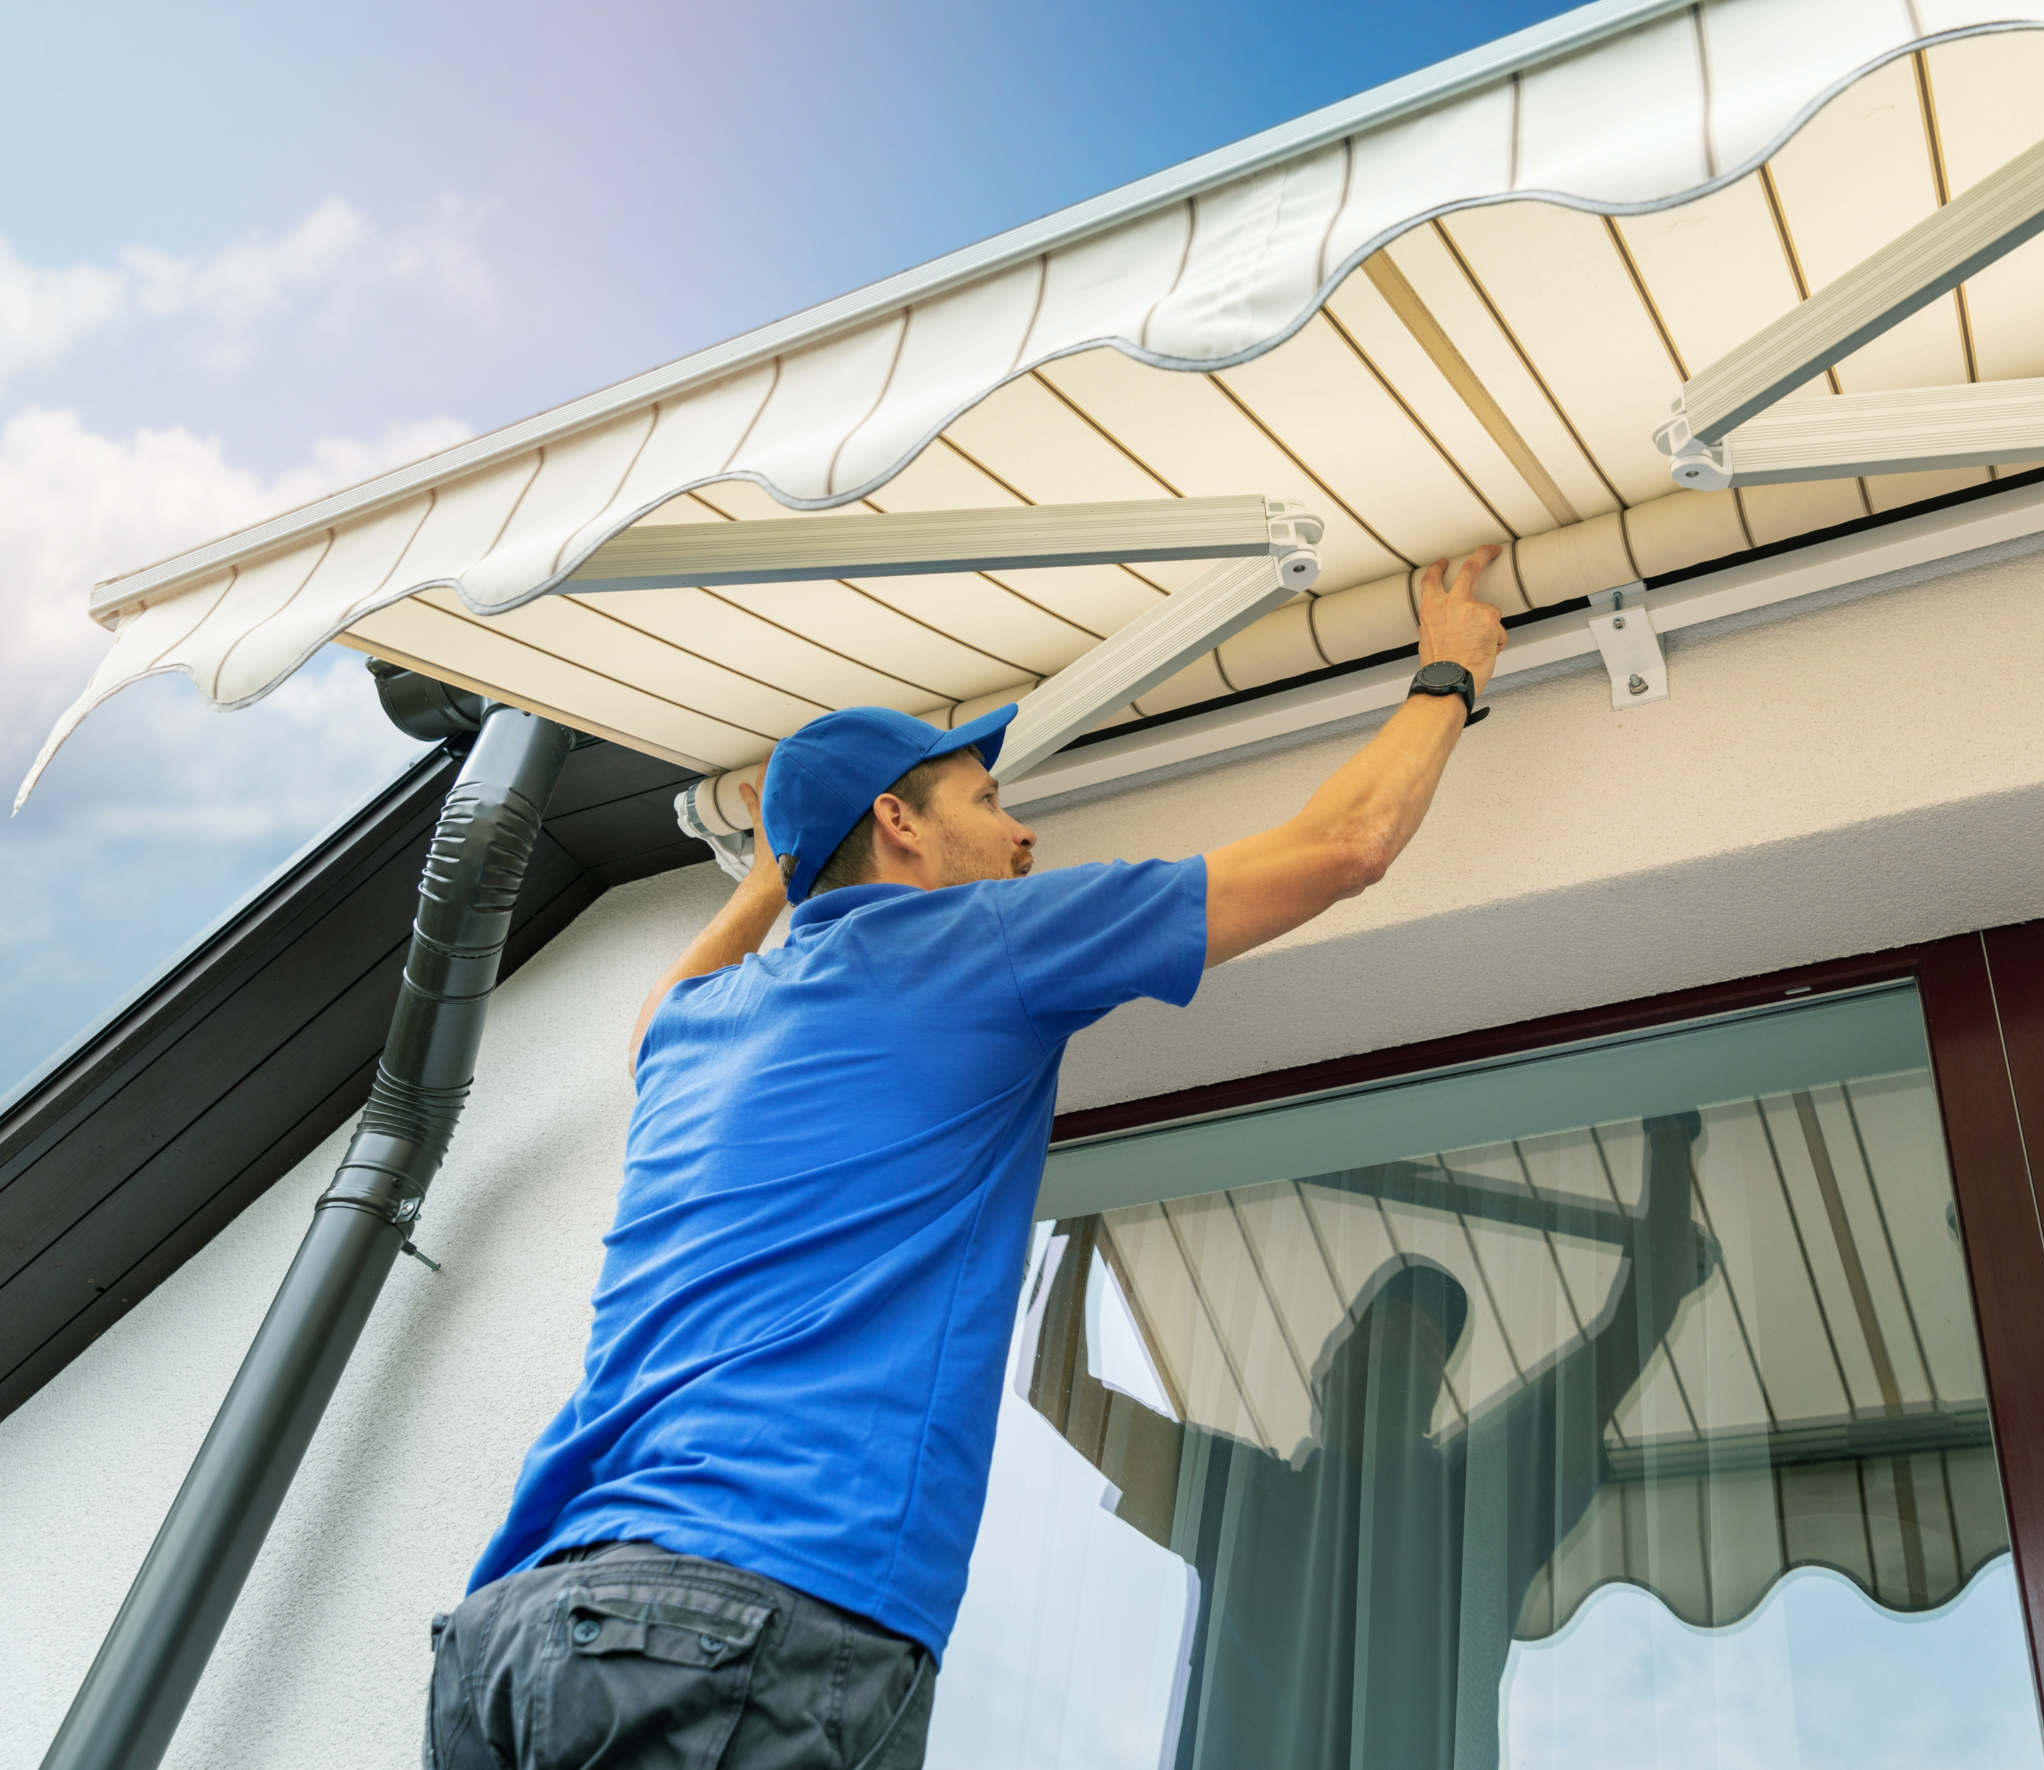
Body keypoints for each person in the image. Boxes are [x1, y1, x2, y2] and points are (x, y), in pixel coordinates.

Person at [423, 549, 1507, 1770]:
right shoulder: (970, 942)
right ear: (899, 825)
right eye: (987, 801)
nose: (1022, 827)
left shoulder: (692, 1035)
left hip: (509, 1641)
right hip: (747, 1614)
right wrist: (1448, 670)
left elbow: (669, 995)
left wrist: (784, 866)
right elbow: (1346, 844)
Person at [1031, 1116, 1712, 1770]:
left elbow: (1637, 1320)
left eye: (1423, 1350)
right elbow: (1058, 1391)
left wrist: (1670, 1128)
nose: (1410, 1352)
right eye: (1390, 1335)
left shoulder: (1470, 1513)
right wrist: (1084, 1192)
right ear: (1331, 1374)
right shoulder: (1248, 1497)